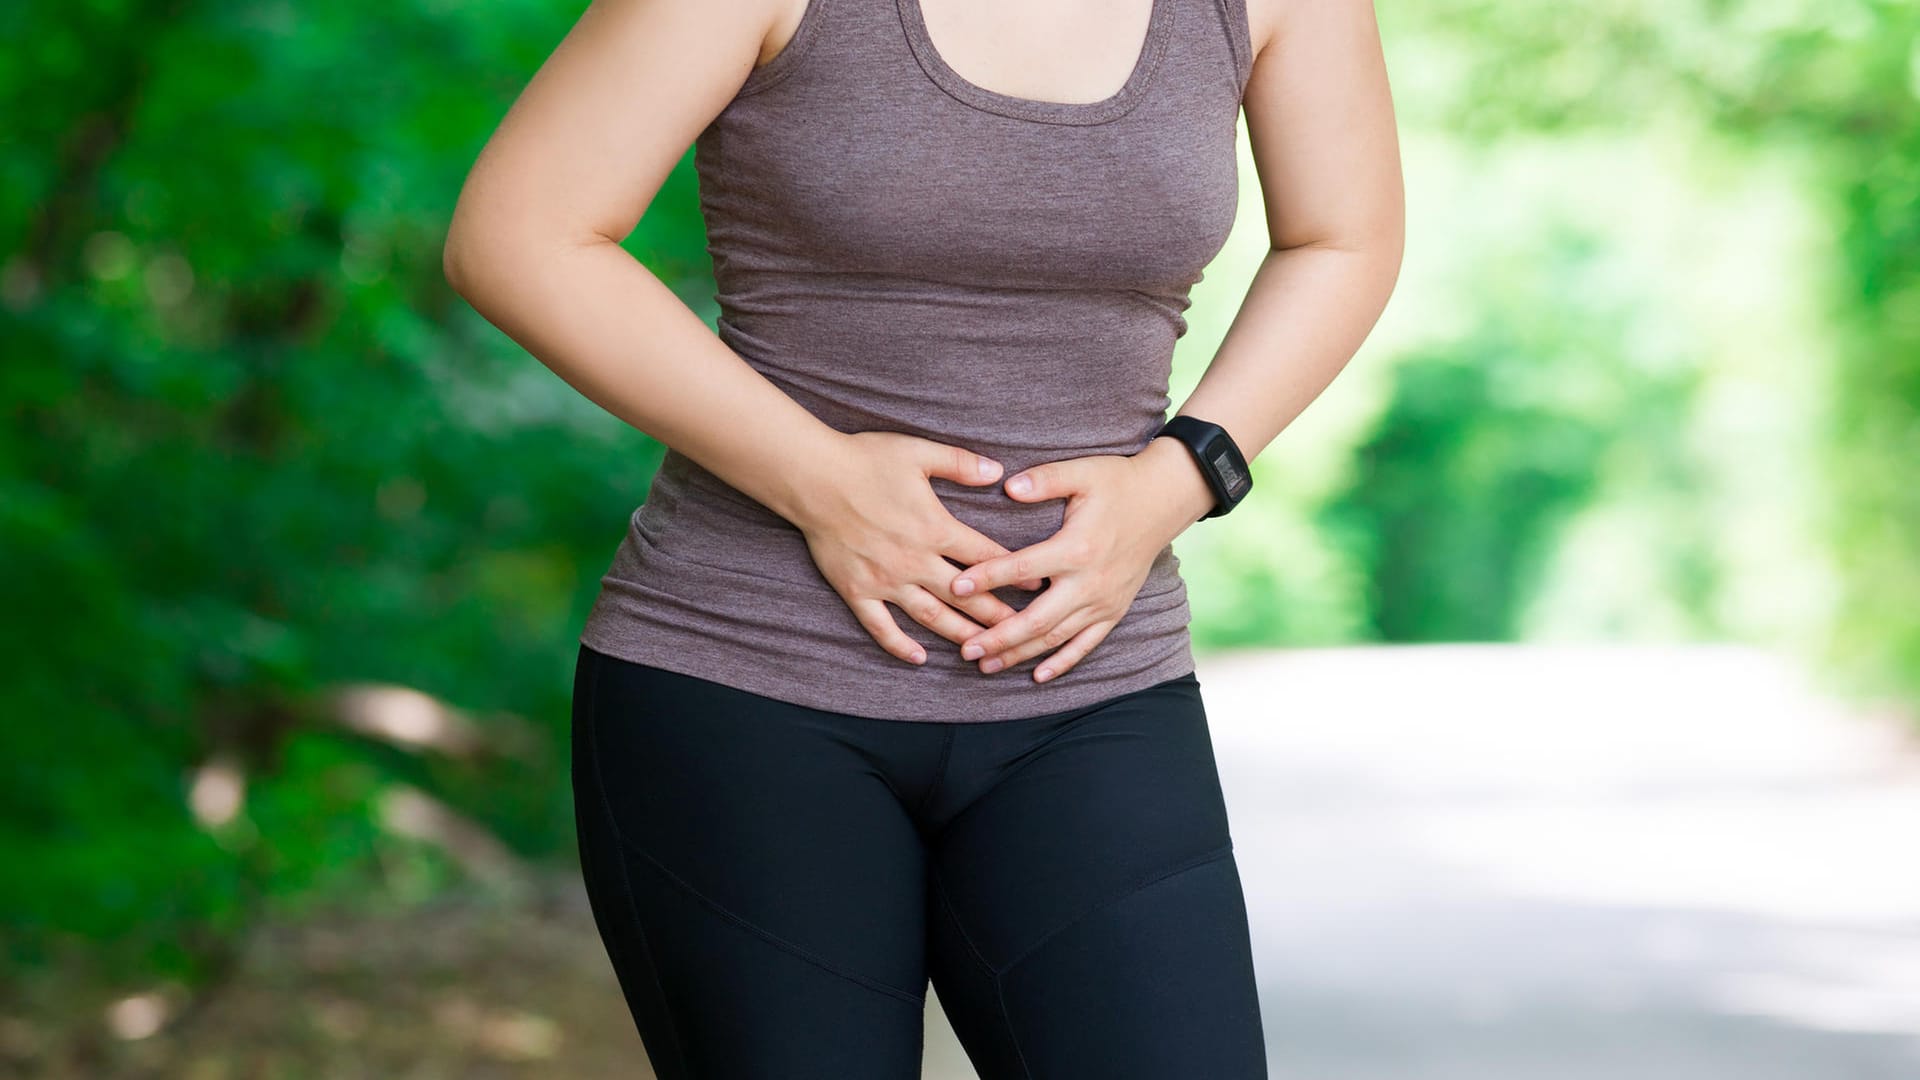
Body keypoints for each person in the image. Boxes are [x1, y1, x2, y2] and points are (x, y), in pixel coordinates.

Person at [444, 0, 1402, 1073]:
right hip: (747, 686)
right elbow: (522, 232)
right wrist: (820, 483)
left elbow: (1341, 237)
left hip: (1092, 693)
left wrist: (1181, 477)